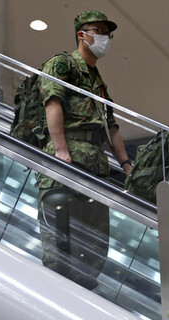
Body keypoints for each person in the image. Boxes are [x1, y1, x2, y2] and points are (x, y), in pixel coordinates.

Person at [35, 11, 133, 289]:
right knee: (60, 240)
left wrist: (126, 165)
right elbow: (52, 103)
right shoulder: (62, 64)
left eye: (107, 33)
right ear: (82, 35)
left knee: (94, 239)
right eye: (98, 31)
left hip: (96, 165)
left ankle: (87, 286)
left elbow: (111, 126)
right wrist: (60, 149)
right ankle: (58, 291)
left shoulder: (97, 81)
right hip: (69, 162)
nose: (104, 37)